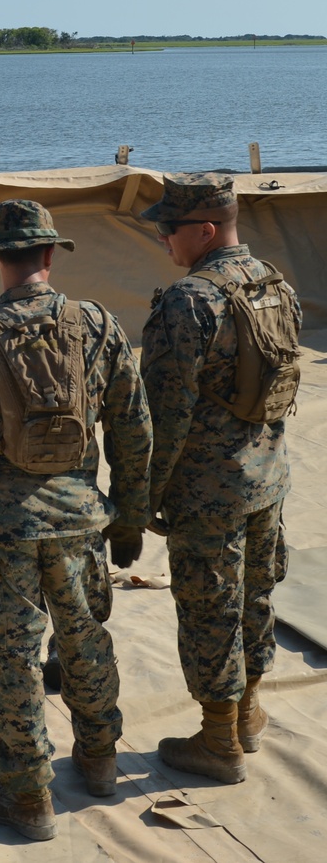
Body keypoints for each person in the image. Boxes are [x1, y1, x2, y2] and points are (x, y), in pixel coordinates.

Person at [0, 199, 152, 841]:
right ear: (51, 256)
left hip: (1, 533)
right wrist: (129, 516)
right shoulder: (100, 328)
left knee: (13, 661)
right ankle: (101, 760)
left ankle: (29, 797)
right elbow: (135, 431)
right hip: (81, 522)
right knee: (85, 638)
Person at [139, 173, 301, 784]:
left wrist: (145, 500)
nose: (162, 239)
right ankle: (249, 713)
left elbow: (164, 414)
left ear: (205, 231)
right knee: (256, 597)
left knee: (210, 606)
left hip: (208, 491)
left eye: (168, 228)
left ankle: (217, 740)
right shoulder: (274, 283)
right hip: (268, 477)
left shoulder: (190, 301)